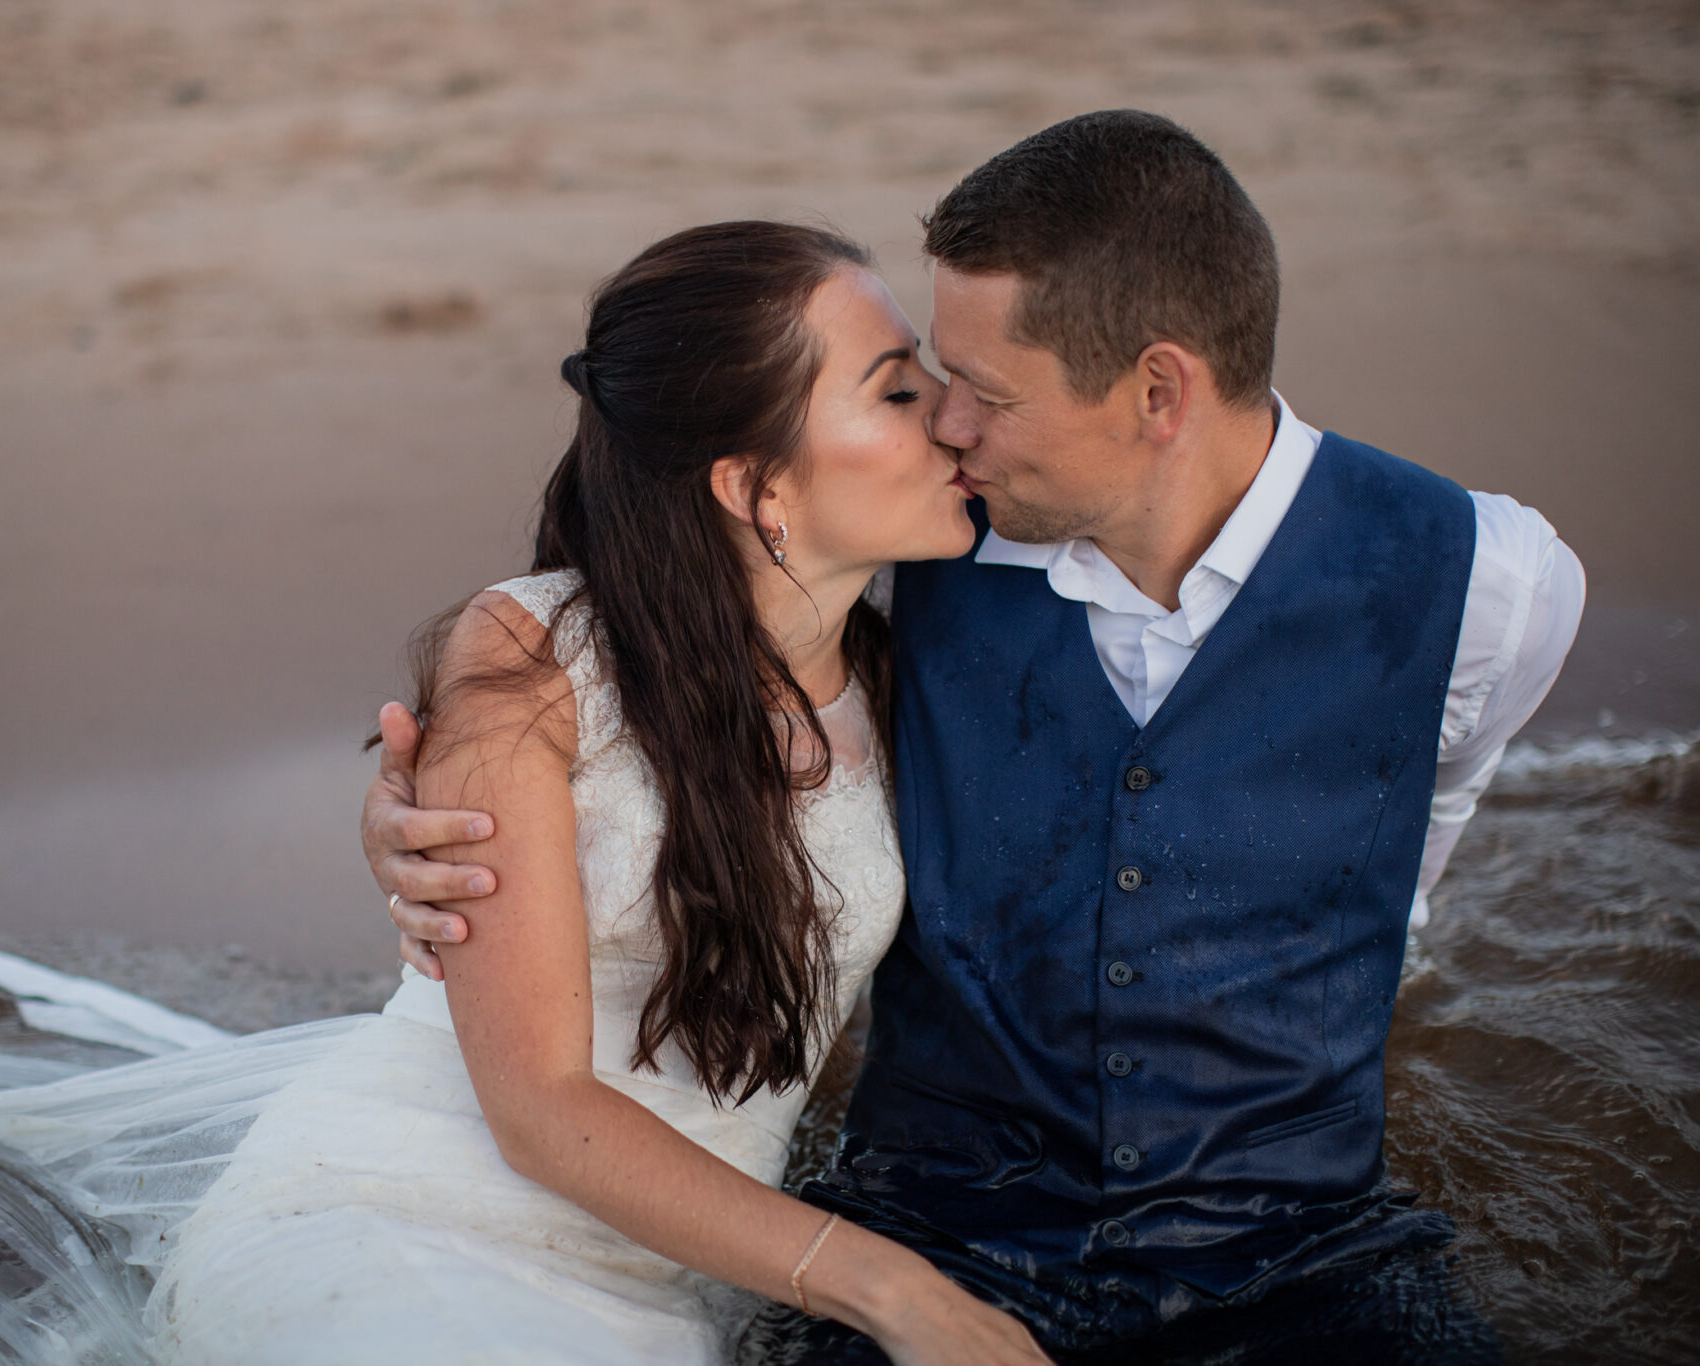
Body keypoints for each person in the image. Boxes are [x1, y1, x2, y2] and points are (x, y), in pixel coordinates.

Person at [0, 221, 1053, 1366]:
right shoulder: (532, 654)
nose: (954, 416)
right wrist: (884, 1287)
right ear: (754, 482)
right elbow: (543, 1106)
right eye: (895, 385)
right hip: (416, 1226)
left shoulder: (924, 655)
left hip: (678, 1280)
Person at [368, 112, 1585, 1364]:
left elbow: (1412, 841)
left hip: (1298, 1249)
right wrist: (444, 811)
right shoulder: (910, 550)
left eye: (981, 394)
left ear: (1157, 390)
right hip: (937, 1227)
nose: (946, 425)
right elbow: (662, 664)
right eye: (920, 384)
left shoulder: (1489, 586)